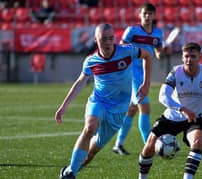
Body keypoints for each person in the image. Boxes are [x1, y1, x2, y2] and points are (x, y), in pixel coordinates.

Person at [55, 23, 152, 179]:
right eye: (103, 39)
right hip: (99, 102)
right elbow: (81, 81)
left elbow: (147, 56)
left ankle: (73, 168)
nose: (107, 43)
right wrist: (63, 106)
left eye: (110, 38)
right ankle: (70, 173)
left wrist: (146, 83)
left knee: (92, 152)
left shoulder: (127, 51)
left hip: (119, 111)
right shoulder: (91, 61)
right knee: (89, 128)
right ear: (95, 39)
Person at [138, 42, 202, 179]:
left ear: (200, 58)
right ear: (182, 57)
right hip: (172, 116)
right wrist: (182, 109)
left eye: (193, 56)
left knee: (197, 142)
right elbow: (163, 96)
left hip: (196, 118)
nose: (189, 60)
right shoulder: (175, 73)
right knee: (149, 145)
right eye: (186, 56)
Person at [111, 3, 165, 155]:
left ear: (154, 16)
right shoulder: (132, 31)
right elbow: (121, 48)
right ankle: (149, 145)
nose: (147, 17)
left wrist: (160, 53)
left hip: (145, 73)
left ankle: (118, 144)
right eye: (145, 14)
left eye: (150, 14)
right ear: (140, 15)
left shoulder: (158, 33)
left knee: (132, 110)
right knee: (145, 108)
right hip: (132, 73)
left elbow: (158, 50)